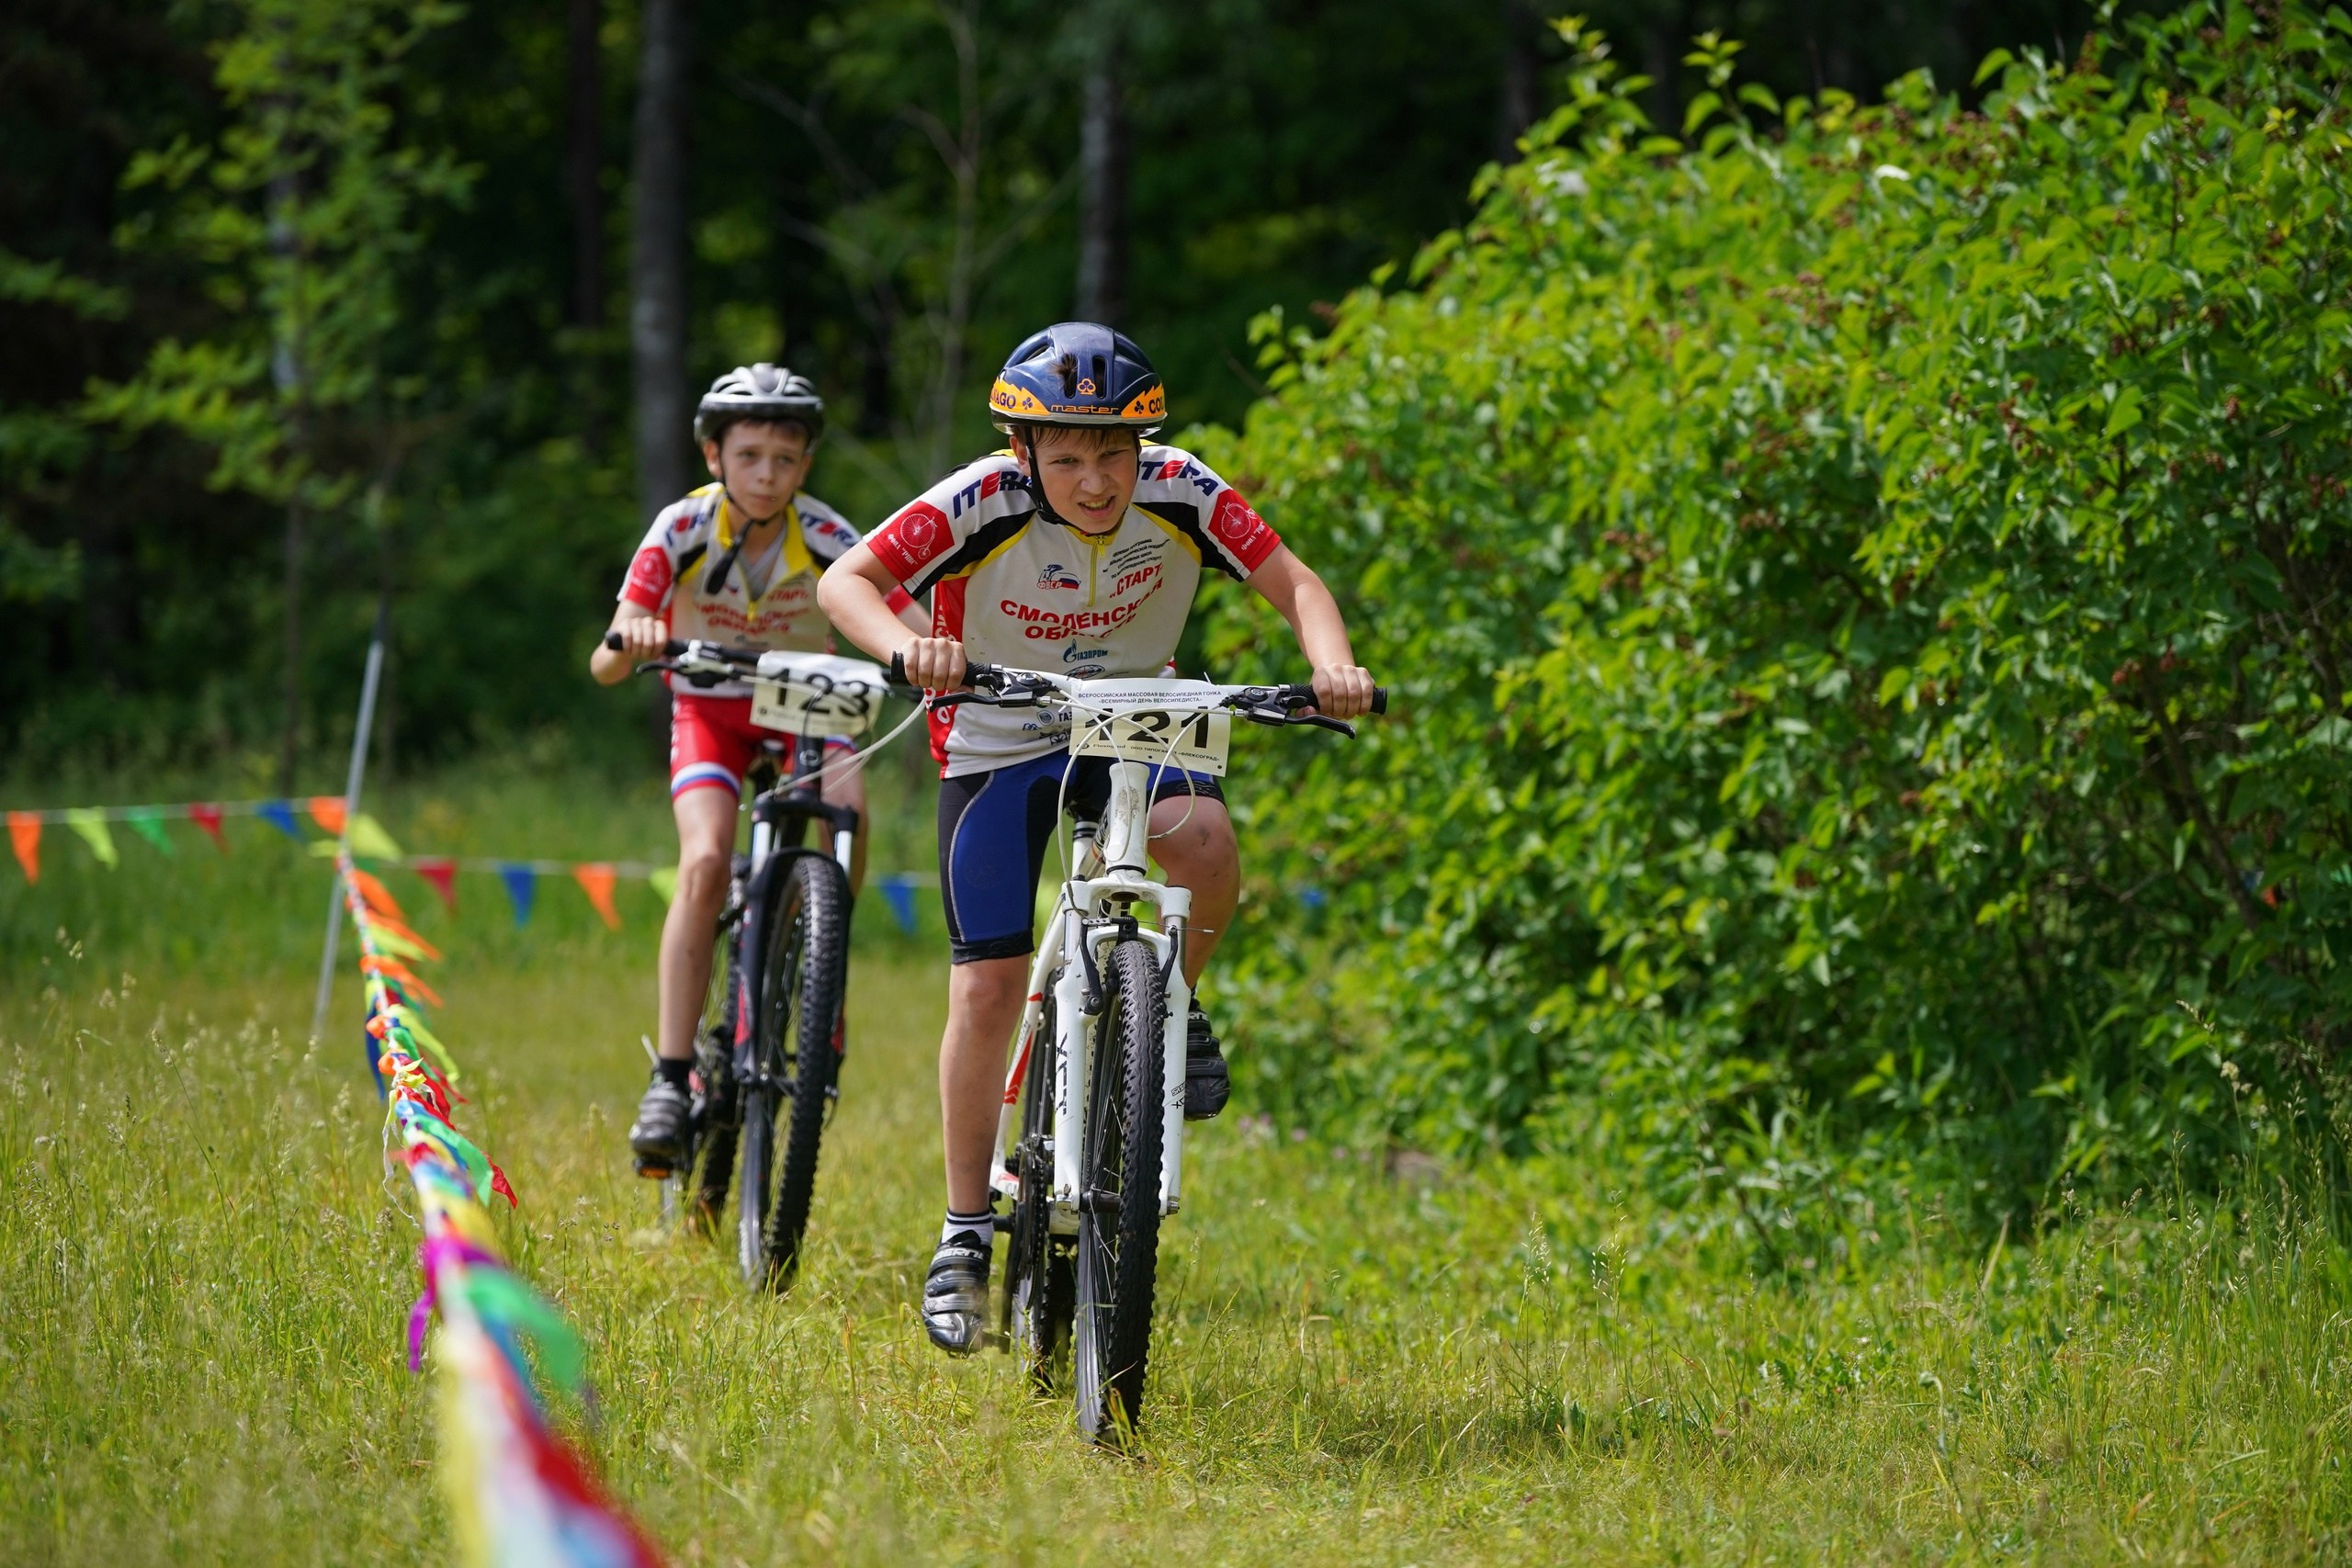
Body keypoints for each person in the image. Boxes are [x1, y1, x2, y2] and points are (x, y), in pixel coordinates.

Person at [818, 322, 1375, 1354]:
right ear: (1023, 452)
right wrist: (909, 649)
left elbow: (1294, 582)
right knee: (987, 984)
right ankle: (962, 1232)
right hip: (996, 726)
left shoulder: (1184, 489)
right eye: (1065, 456)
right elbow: (844, 580)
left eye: (1112, 453)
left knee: (1205, 848)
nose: (1093, 479)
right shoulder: (979, 498)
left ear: (1142, 448)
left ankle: (1169, 1005)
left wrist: (1331, 663)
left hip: (1136, 712)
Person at [590, 363, 926, 1173]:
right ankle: (670, 1077)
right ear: (715, 456)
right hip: (709, 711)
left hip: (807, 707)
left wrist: (927, 652)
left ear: (805, 464)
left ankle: (821, 968)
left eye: (784, 457)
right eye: (749, 456)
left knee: (851, 806)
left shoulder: (830, 534)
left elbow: (907, 617)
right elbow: (606, 659)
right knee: (704, 860)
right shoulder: (680, 529)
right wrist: (631, 637)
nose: (767, 473)